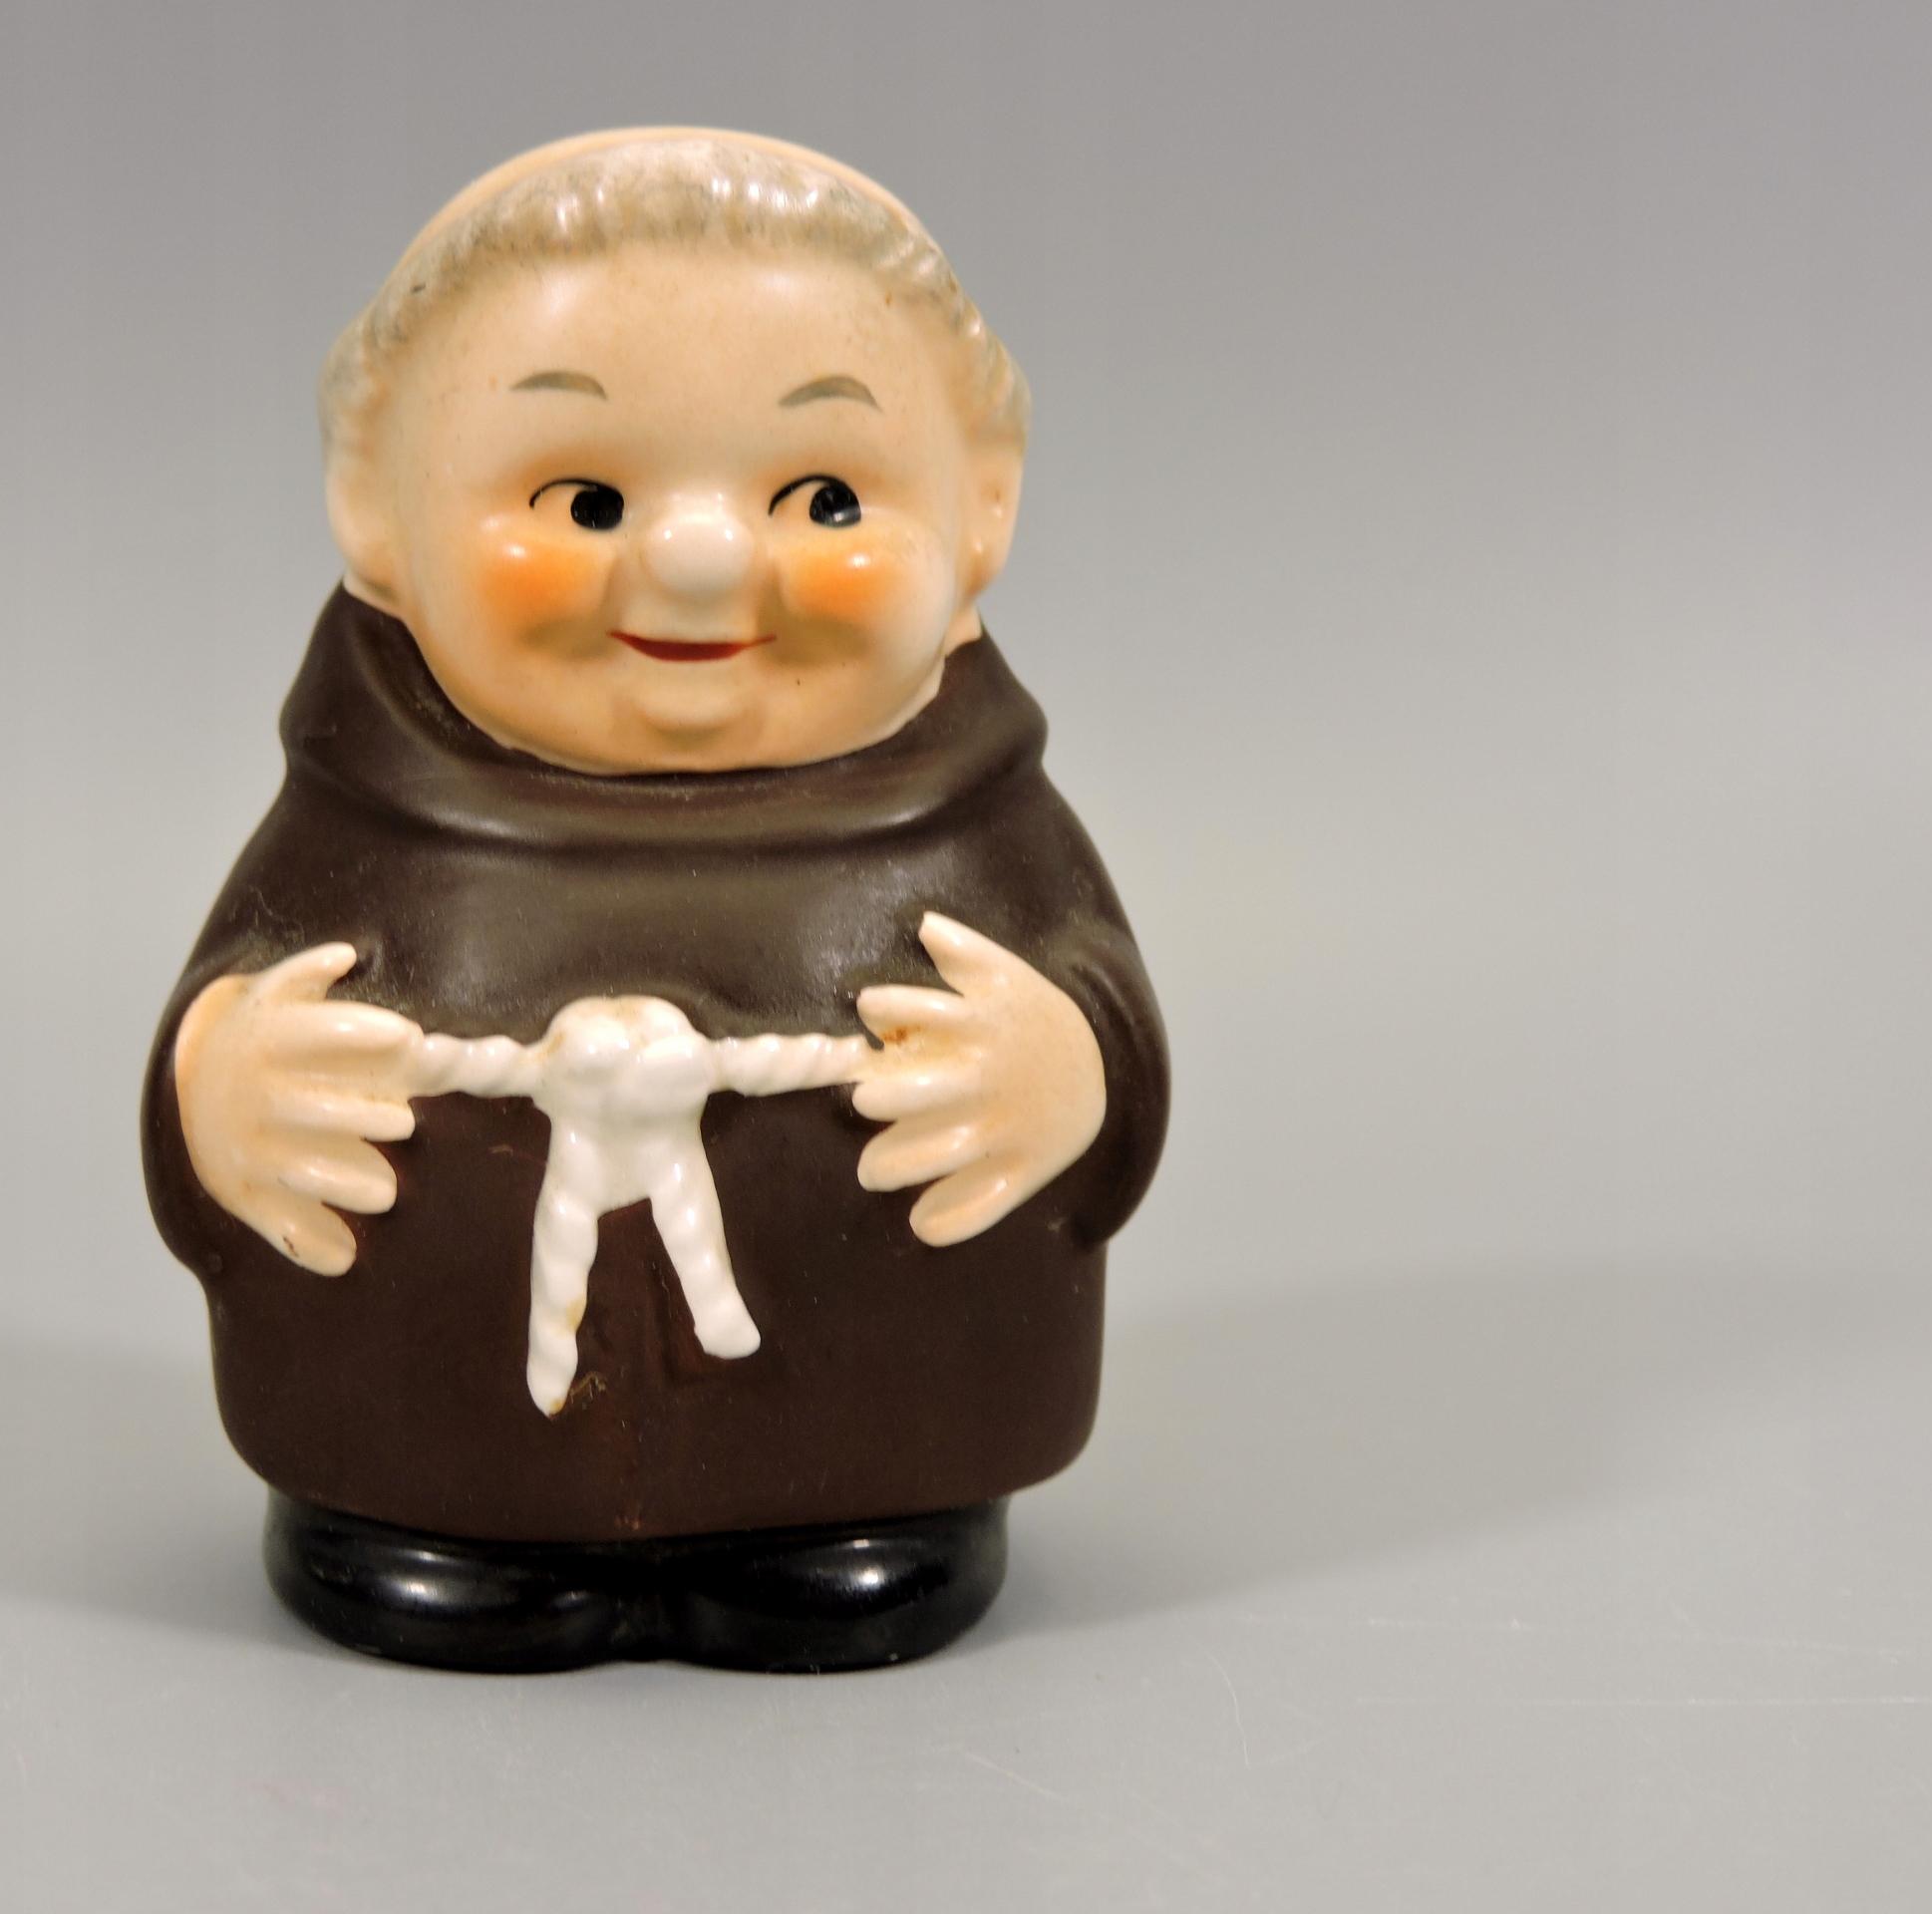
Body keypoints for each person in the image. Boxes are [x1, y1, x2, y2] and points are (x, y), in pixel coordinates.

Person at [143, 130, 1168, 1672]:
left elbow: (1105, 1022)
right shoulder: (358, 819)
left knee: (844, 1557)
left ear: (985, 509)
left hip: (876, 1429)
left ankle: (845, 1524)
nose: (695, 561)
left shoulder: (976, 824)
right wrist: (222, 1092)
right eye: (582, 500)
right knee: (437, 1534)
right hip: (420, 1446)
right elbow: (224, 1007)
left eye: (824, 498)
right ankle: (441, 1528)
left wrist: (1072, 1073)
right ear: (372, 506)